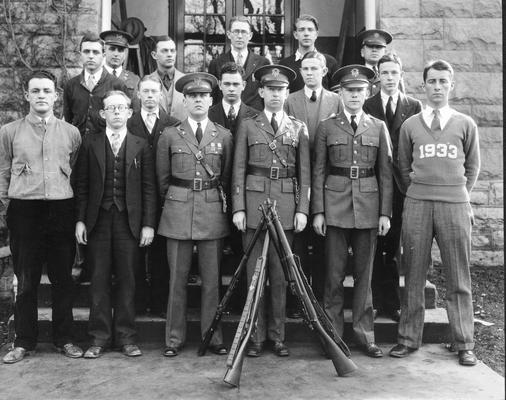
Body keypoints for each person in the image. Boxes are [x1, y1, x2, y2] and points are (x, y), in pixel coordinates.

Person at [390, 60, 480, 366]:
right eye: (432, 82)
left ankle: (464, 341)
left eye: (443, 81)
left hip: (454, 204)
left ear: (451, 85)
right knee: (413, 272)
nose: (438, 87)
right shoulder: (411, 125)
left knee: (458, 274)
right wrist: (419, 190)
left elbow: (472, 167)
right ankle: (408, 338)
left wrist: (458, 192)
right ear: (424, 85)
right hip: (417, 202)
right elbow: (402, 168)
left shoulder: (465, 124)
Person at [0, 70, 83, 363]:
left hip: (61, 210)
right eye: (35, 91)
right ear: (26, 96)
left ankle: (65, 339)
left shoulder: (71, 133)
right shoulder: (10, 132)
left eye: (47, 91)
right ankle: (24, 341)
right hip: (25, 211)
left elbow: (74, 171)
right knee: (27, 281)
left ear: (56, 95)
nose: (41, 96)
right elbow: (3, 172)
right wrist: (9, 206)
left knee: (62, 279)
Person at [312, 65, 393, 358]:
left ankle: (364, 334)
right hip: (334, 207)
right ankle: (333, 336)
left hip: (369, 207)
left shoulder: (378, 127)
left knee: (364, 275)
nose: (354, 95)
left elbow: (385, 173)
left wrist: (385, 213)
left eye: (359, 91)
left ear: (367, 92)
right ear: (340, 93)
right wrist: (318, 211)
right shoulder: (327, 126)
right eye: (349, 91)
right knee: (333, 276)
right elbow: (318, 170)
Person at [232, 65, 310, 358]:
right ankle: (255, 337)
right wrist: (238, 207)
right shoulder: (249, 125)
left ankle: (277, 337)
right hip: (253, 205)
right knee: (255, 276)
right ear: (261, 92)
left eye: (281, 90)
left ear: (287, 93)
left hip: (286, 206)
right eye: (270, 90)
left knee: (279, 276)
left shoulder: (298, 127)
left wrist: (302, 210)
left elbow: (305, 174)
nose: (276, 95)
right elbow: (238, 169)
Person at [75, 90, 157, 358]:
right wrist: (80, 220)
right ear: (103, 114)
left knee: (128, 279)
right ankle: (99, 337)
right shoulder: (90, 143)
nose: (117, 113)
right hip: (97, 220)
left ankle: (126, 337)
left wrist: (147, 224)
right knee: (98, 279)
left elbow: (148, 188)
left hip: (128, 222)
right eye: (112, 108)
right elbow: (82, 185)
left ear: (130, 113)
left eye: (122, 108)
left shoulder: (141, 145)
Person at [156, 73, 233, 357]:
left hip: (212, 212)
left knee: (212, 282)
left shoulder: (223, 135)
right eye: (192, 96)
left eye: (203, 96)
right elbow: (162, 179)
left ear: (212, 100)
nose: (198, 100)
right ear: (184, 101)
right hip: (177, 212)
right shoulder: (170, 135)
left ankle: (212, 337)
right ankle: (174, 340)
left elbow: (225, 177)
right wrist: (178, 200)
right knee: (177, 279)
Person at [363, 53, 422, 322]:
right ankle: (374, 300)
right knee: (374, 242)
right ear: (378, 75)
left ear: (401, 75)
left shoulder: (413, 106)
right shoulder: (367, 104)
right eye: (384, 73)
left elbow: (418, 147)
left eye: (394, 73)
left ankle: (394, 302)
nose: (389, 78)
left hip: (402, 185)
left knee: (396, 243)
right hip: (373, 182)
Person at [284, 51, 342, 310]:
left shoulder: (337, 101)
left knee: (322, 242)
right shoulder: (290, 100)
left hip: (327, 178)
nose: (309, 73)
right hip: (297, 176)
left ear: (324, 71)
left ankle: (318, 299)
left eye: (314, 69)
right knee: (297, 241)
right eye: (305, 69)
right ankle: (297, 299)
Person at [127, 75, 180, 316]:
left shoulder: (172, 124)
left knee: (160, 254)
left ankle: (160, 304)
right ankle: (137, 303)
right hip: (133, 197)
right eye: (145, 92)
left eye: (154, 92)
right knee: (134, 253)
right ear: (138, 95)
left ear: (161, 95)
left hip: (163, 198)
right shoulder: (128, 123)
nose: (150, 96)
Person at [63, 32, 129, 137]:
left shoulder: (117, 85)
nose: (91, 56)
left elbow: (124, 122)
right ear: (80, 54)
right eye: (86, 52)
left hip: (104, 148)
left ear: (103, 55)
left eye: (95, 52)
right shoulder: (71, 85)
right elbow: (67, 121)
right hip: (78, 147)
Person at [208, 16, 270, 110]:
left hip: (254, 119)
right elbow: (213, 97)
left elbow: (266, 95)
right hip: (225, 119)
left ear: (250, 35)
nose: (240, 36)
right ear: (229, 34)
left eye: (244, 32)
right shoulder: (216, 63)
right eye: (236, 31)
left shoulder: (263, 63)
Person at [279, 14, 339, 94]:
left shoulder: (330, 62)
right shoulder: (284, 65)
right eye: (301, 30)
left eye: (310, 30)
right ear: (295, 35)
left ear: (316, 34)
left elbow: (337, 95)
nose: (306, 33)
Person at [208, 62, 259, 136]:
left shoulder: (256, 117)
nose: (231, 89)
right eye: (227, 84)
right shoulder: (208, 116)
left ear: (243, 85)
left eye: (236, 84)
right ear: (219, 85)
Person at [147, 36, 187, 121]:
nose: (169, 54)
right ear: (154, 55)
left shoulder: (186, 81)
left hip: (182, 132)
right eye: (164, 51)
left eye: (172, 51)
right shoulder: (146, 82)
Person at [100, 30, 140, 102]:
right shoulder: (95, 76)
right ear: (104, 50)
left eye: (120, 50)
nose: (116, 54)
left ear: (125, 53)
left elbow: (136, 108)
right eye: (112, 49)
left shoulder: (134, 79)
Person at [356, 29, 392, 97]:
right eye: (370, 46)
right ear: (362, 52)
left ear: (385, 52)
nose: (374, 50)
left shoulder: (392, 76)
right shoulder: (356, 76)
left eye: (379, 47)